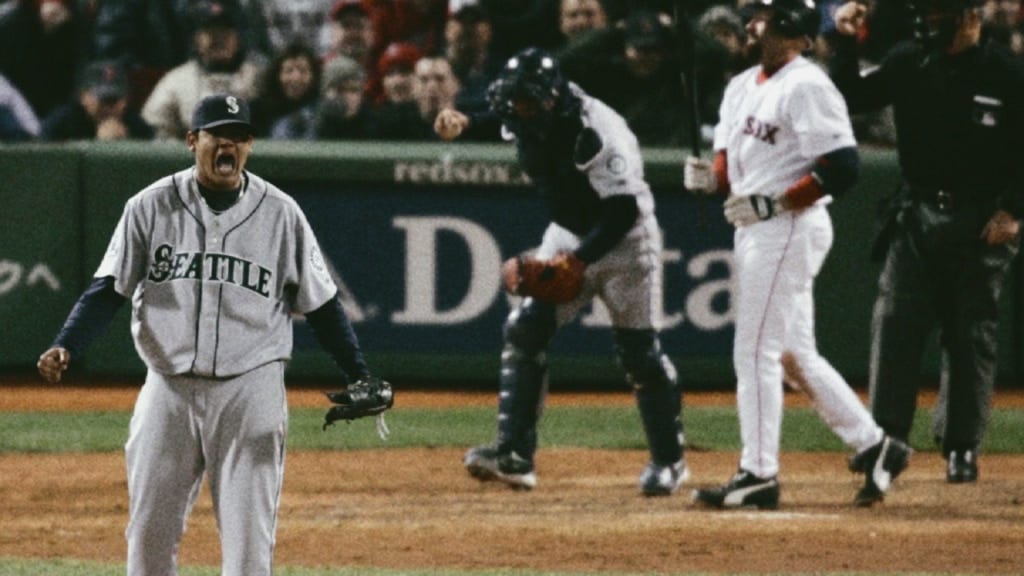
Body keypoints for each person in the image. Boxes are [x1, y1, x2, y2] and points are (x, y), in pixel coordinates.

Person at [36, 93, 381, 575]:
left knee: (248, 547)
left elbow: (322, 306)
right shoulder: (149, 206)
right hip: (168, 387)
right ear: (192, 140)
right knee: (148, 537)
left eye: (239, 137)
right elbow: (108, 289)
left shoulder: (282, 213)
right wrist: (67, 343)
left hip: (250, 388)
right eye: (218, 135)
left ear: (249, 146)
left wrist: (357, 371)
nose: (229, 145)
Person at [683, 0, 911, 509]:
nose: (751, 23)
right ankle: (875, 445)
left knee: (754, 352)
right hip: (757, 227)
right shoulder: (741, 85)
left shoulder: (807, 84)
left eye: (763, 16)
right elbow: (727, 169)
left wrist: (777, 201)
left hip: (788, 226)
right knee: (791, 353)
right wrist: (710, 180)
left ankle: (758, 473)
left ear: (792, 30)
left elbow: (843, 166)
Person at [434, 47, 687, 496]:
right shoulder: (528, 111)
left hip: (625, 243)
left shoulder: (597, 131)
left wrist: (577, 262)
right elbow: (503, 118)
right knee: (525, 331)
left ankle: (670, 462)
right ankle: (514, 456)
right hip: (568, 232)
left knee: (639, 355)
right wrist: (467, 122)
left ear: (551, 99)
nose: (519, 109)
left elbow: (623, 211)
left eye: (527, 102)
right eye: (515, 102)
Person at [829, 0, 1024, 483]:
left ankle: (962, 446)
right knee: (895, 322)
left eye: (941, 12)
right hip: (916, 211)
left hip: (980, 220)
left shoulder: (1006, 72)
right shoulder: (908, 60)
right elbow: (850, 95)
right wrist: (844, 41)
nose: (929, 20)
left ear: (971, 16)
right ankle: (886, 438)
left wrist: (1013, 210)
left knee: (969, 334)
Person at [141, 0, 264, 140]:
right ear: (197, 39)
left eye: (225, 32)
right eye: (211, 32)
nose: (218, 39)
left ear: (238, 39)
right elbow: (155, 128)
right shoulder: (177, 80)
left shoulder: (258, 79)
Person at [41, 60, 155, 141]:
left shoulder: (136, 125)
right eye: (103, 100)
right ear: (83, 97)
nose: (108, 108)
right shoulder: (61, 125)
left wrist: (124, 143)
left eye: (114, 101)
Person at [249, 41, 322, 137]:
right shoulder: (258, 111)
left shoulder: (322, 112)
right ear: (277, 75)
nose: (296, 78)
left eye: (303, 71)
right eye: (288, 71)